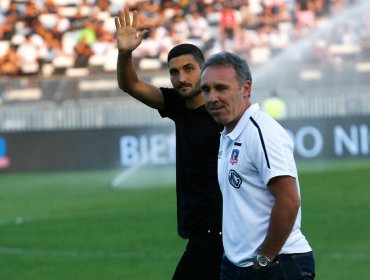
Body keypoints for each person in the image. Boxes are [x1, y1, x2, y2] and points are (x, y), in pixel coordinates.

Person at [114, 7, 223, 280]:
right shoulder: (177, 103)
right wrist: (125, 52)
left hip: (219, 231)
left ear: (204, 70)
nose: (181, 78)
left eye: (189, 69)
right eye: (174, 72)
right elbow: (131, 84)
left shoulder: (224, 114)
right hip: (201, 231)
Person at [200, 51, 315, 279]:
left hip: (278, 263)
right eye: (206, 89)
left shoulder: (261, 132)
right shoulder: (229, 133)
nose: (212, 97)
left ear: (245, 89)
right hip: (237, 266)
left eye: (221, 88)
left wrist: (264, 259)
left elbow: (289, 201)